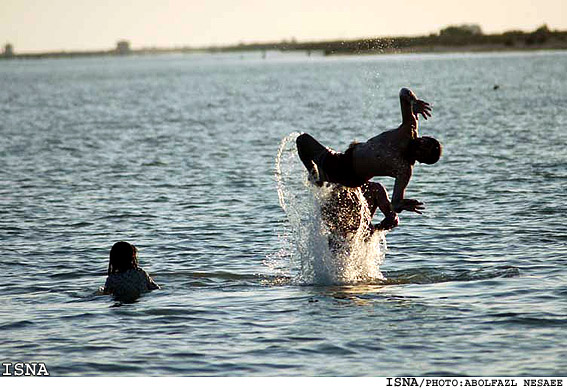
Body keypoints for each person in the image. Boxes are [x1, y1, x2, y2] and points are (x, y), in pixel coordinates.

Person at [296, 87, 442, 219]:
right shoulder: (409, 128)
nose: (420, 147)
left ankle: (317, 177)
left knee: (303, 141)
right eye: (424, 143)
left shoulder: (404, 170)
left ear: (421, 160)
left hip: (349, 173)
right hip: (344, 158)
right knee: (303, 143)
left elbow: (395, 203)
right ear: (423, 137)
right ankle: (318, 176)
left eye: (423, 152)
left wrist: (402, 205)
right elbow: (403, 92)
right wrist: (413, 101)